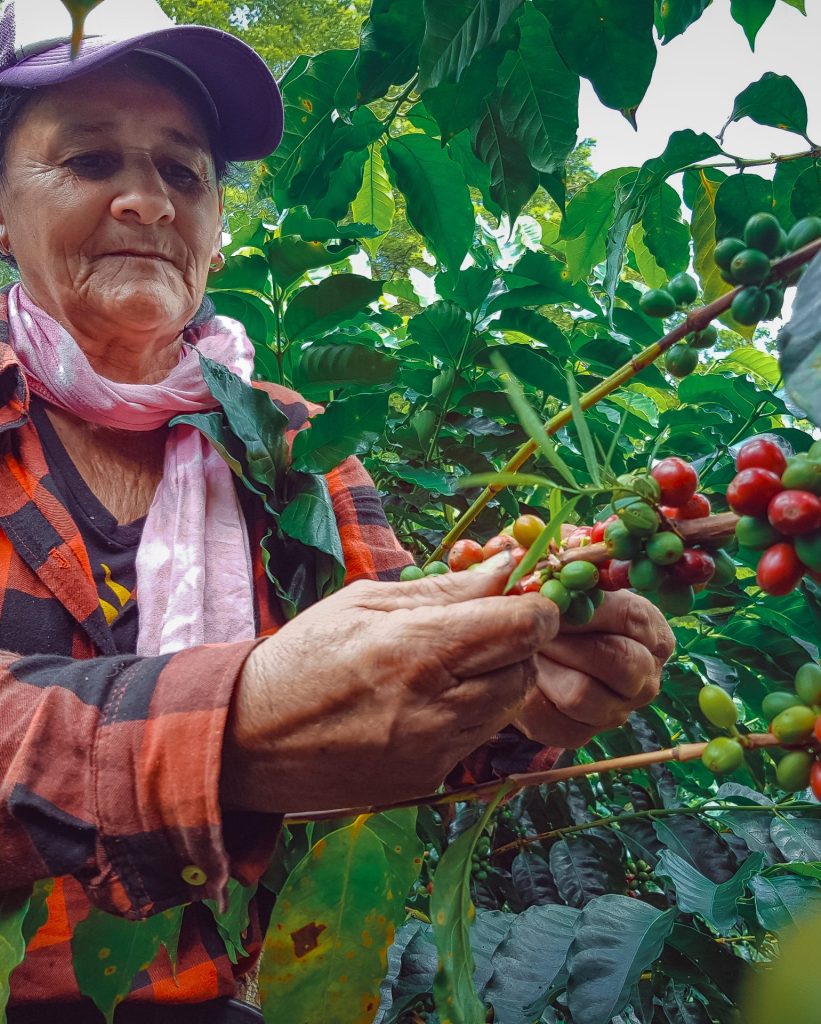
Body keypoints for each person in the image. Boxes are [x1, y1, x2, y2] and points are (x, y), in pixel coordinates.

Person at [0, 0, 675, 1020]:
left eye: (184, 173)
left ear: (218, 232)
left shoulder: (291, 444)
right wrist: (236, 722)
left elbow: (401, 716)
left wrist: (520, 690)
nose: (146, 201)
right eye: (88, 161)